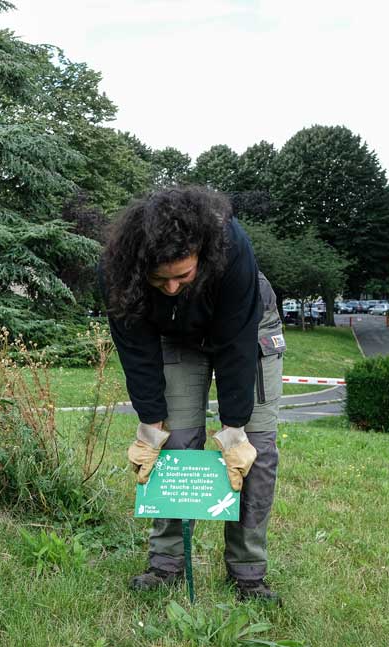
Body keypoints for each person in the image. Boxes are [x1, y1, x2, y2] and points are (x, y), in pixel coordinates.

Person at [100, 186, 284, 603]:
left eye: (182, 275)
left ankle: (247, 572)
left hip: (247, 327)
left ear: (202, 253)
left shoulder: (231, 246)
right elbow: (136, 350)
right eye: (159, 279)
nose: (170, 287)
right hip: (175, 337)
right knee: (176, 443)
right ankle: (165, 565)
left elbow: (237, 344)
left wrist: (234, 429)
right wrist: (150, 426)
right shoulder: (117, 266)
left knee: (254, 450)